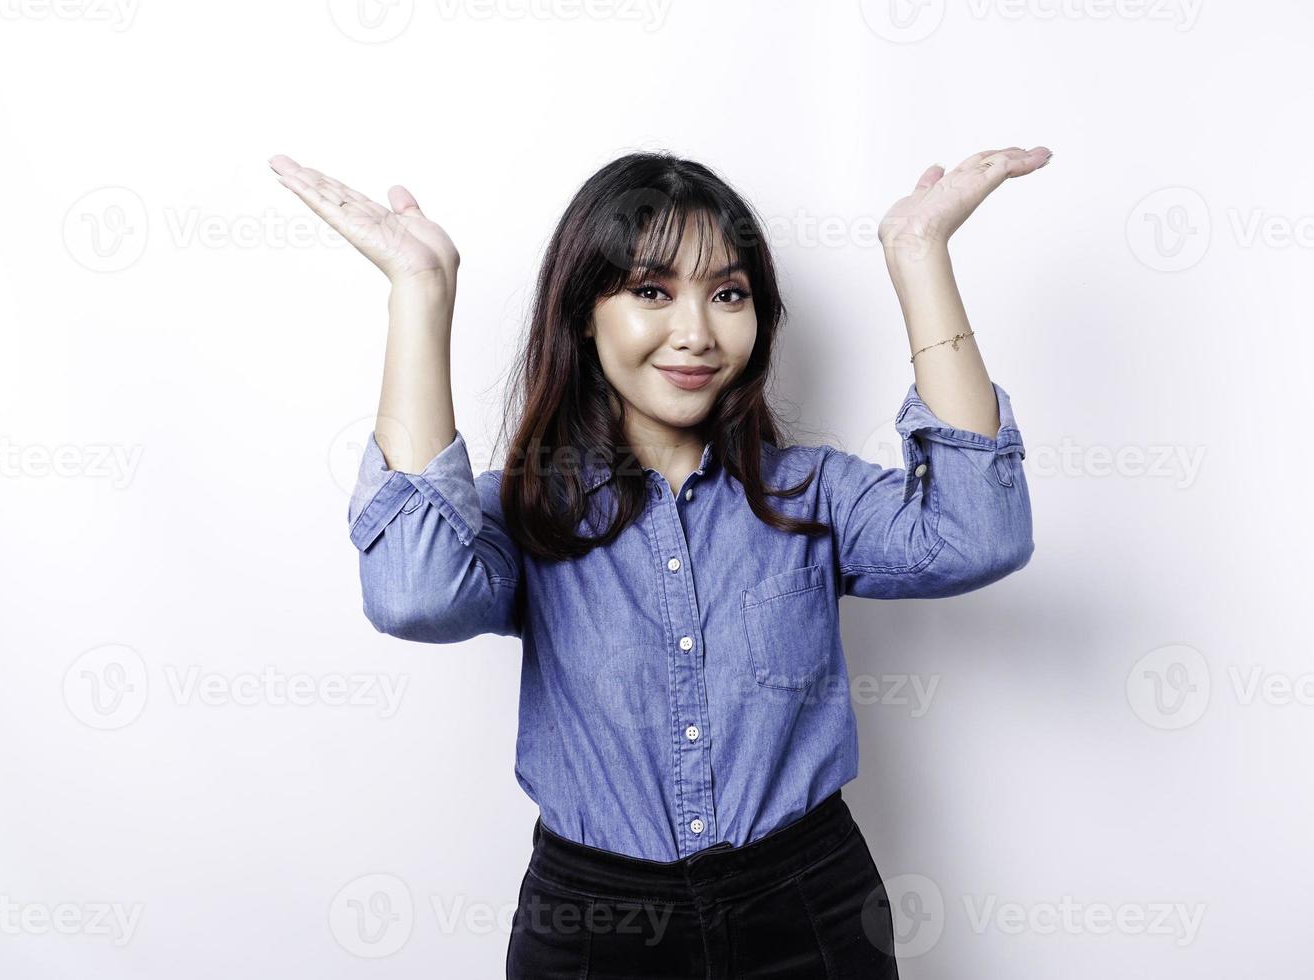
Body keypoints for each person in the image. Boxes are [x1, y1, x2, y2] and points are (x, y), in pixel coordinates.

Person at [271, 144, 1049, 978]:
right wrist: (421, 296)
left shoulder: (812, 493)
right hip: (593, 929)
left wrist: (918, 257)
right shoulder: (529, 508)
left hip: (810, 908)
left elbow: (980, 534)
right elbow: (415, 596)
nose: (696, 333)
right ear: (583, 314)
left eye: (728, 294)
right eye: (651, 291)